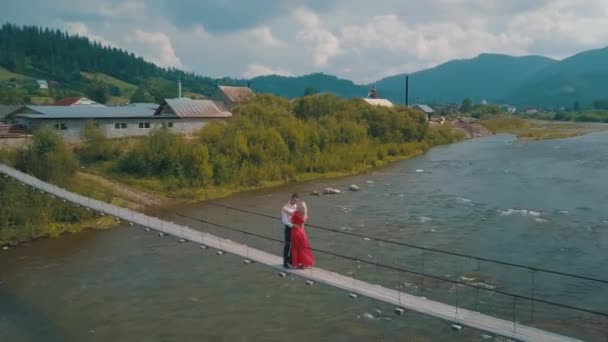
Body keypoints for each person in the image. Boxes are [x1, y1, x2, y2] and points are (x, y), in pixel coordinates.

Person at [290, 201, 314, 269]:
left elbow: (291, 221)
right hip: (301, 232)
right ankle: (305, 264)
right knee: (303, 248)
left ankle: (296, 264)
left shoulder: (295, 213)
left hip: (294, 232)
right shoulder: (303, 214)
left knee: (295, 248)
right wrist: (306, 210)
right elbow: (304, 221)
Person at [281, 193, 299, 268]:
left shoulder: (296, 205)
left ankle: (291, 261)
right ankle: (285, 263)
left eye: (297, 201)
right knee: (287, 245)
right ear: (291, 198)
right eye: (295, 200)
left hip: (296, 228)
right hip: (288, 228)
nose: (296, 202)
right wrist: (292, 225)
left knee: (294, 245)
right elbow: (284, 221)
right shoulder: (284, 208)